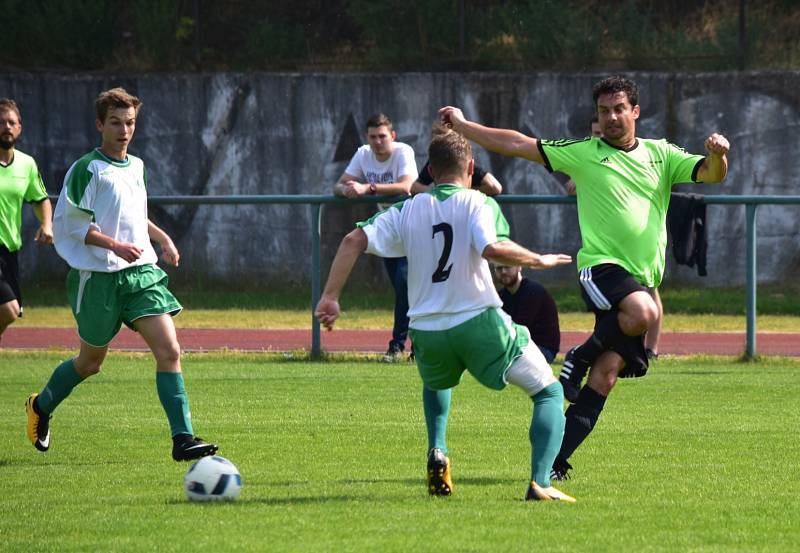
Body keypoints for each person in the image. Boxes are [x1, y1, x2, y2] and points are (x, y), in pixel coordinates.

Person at [439, 75, 729, 480]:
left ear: (635, 112)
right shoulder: (583, 153)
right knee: (646, 312)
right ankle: (580, 353)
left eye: (618, 109)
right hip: (601, 269)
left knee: (606, 376)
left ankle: (554, 460)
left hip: (639, 279)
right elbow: (518, 143)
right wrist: (465, 126)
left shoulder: (661, 154)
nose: (610, 117)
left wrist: (717, 154)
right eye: (603, 111)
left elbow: (712, 175)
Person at [316, 125, 576, 502]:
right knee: (548, 392)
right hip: (477, 321)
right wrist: (538, 259)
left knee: (438, 382)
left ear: (431, 172)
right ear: (471, 168)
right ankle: (541, 483)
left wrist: (330, 297)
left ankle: (437, 448)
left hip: (425, 330)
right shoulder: (478, 202)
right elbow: (491, 247)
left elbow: (353, 239)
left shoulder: (407, 208)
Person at [25, 87, 218, 462]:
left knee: (170, 350)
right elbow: (72, 226)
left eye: (130, 122)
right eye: (116, 122)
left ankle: (183, 438)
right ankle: (41, 406)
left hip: (140, 274)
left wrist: (162, 238)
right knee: (90, 363)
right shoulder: (87, 169)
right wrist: (114, 246)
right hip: (97, 279)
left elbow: (134, 215)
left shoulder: (138, 166)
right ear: (100, 125)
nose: (124, 130)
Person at [566, 114, 664, 360]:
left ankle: (651, 348)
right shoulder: (588, 155)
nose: (602, 135)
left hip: (642, 241)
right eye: (596, 134)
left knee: (650, 293)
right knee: (634, 309)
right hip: (606, 252)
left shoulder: (644, 154)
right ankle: (589, 355)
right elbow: (572, 185)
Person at [334, 113, 418, 362]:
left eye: (382, 136)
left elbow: (406, 186)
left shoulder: (403, 151)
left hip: (410, 224)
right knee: (402, 289)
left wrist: (368, 188)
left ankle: (401, 346)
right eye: (372, 137)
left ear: (392, 136)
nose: (377, 141)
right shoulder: (363, 153)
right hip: (386, 228)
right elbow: (338, 185)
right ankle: (407, 346)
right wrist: (347, 189)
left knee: (407, 286)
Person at [0, 98, 53, 342]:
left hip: (10, 250)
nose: (6, 127)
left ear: (19, 128)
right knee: (8, 309)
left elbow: (40, 199)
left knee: (11, 310)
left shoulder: (26, 164)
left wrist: (46, 224)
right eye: (1, 122)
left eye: (11, 122)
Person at [494, 263, 560, 363]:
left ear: (519, 267)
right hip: (518, 347)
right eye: (499, 268)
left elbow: (519, 328)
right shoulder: (501, 296)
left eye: (507, 266)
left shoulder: (533, 291)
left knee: (500, 360)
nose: (503, 271)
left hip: (543, 349)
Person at [411, 159, 502, 196]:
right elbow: (414, 187)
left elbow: (495, 187)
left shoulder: (463, 160)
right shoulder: (437, 160)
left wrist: (460, 192)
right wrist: (440, 193)